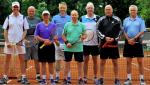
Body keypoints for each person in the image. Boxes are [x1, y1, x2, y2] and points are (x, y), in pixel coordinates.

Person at [0, 1, 30, 84]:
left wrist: (21, 40)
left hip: (20, 42)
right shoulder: (8, 17)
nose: (15, 8)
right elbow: (5, 30)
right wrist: (7, 42)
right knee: (7, 60)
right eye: (14, 7)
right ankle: (5, 77)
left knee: (22, 60)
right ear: (12, 8)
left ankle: (24, 77)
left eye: (17, 7)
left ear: (19, 8)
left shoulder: (23, 17)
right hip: (10, 42)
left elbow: (25, 30)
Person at [96, 5, 122, 85]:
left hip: (113, 44)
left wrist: (114, 39)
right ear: (104, 10)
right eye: (106, 9)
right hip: (104, 44)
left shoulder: (117, 19)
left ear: (112, 10)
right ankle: (101, 79)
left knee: (115, 62)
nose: (107, 11)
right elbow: (97, 30)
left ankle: (117, 79)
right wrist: (104, 38)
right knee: (102, 62)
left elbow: (120, 31)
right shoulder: (101, 19)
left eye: (109, 9)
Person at [123, 5, 146, 85]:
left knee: (140, 61)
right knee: (128, 61)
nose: (133, 11)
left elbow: (142, 31)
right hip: (128, 42)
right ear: (129, 11)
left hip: (137, 42)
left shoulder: (141, 20)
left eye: (134, 10)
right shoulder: (125, 20)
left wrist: (134, 39)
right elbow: (124, 31)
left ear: (137, 11)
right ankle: (128, 79)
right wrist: (128, 40)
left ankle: (142, 79)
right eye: (131, 10)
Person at [62, 10, 86, 84]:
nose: (74, 16)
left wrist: (83, 37)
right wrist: (66, 43)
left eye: (75, 15)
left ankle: (80, 79)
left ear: (78, 15)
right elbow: (63, 35)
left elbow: (85, 34)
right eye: (72, 15)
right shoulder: (67, 24)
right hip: (68, 48)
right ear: (70, 16)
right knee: (67, 64)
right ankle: (65, 79)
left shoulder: (82, 25)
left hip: (79, 48)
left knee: (80, 65)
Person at [34, 10, 56, 85]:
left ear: (49, 16)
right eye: (44, 15)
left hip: (50, 46)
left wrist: (50, 41)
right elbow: (36, 36)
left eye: (47, 15)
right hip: (42, 46)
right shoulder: (39, 25)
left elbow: (54, 36)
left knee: (51, 63)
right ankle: (43, 79)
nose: (46, 16)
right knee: (43, 63)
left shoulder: (53, 25)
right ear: (42, 16)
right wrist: (44, 40)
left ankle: (52, 79)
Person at [51, 2, 71, 83]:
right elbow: (52, 30)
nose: (62, 9)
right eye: (61, 7)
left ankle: (68, 76)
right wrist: (55, 41)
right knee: (57, 60)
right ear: (59, 8)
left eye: (64, 7)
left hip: (67, 43)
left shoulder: (70, 18)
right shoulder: (55, 18)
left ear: (66, 8)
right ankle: (57, 76)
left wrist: (69, 41)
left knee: (67, 61)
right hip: (57, 43)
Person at [80, 2, 100, 84]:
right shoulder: (82, 18)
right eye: (88, 8)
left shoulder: (98, 18)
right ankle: (84, 77)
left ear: (93, 9)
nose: (90, 9)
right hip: (85, 44)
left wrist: (100, 41)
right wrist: (81, 36)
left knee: (95, 61)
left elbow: (100, 30)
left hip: (95, 44)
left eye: (91, 8)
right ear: (86, 9)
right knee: (85, 61)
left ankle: (95, 77)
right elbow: (80, 29)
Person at [25, 6, 41, 82]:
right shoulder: (24, 19)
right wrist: (24, 39)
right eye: (30, 11)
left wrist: (37, 39)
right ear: (27, 11)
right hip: (26, 40)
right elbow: (22, 30)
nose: (31, 12)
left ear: (34, 12)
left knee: (36, 59)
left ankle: (38, 75)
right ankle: (23, 75)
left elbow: (40, 31)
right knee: (25, 59)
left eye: (32, 11)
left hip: (35, 40)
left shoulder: (38, 20)